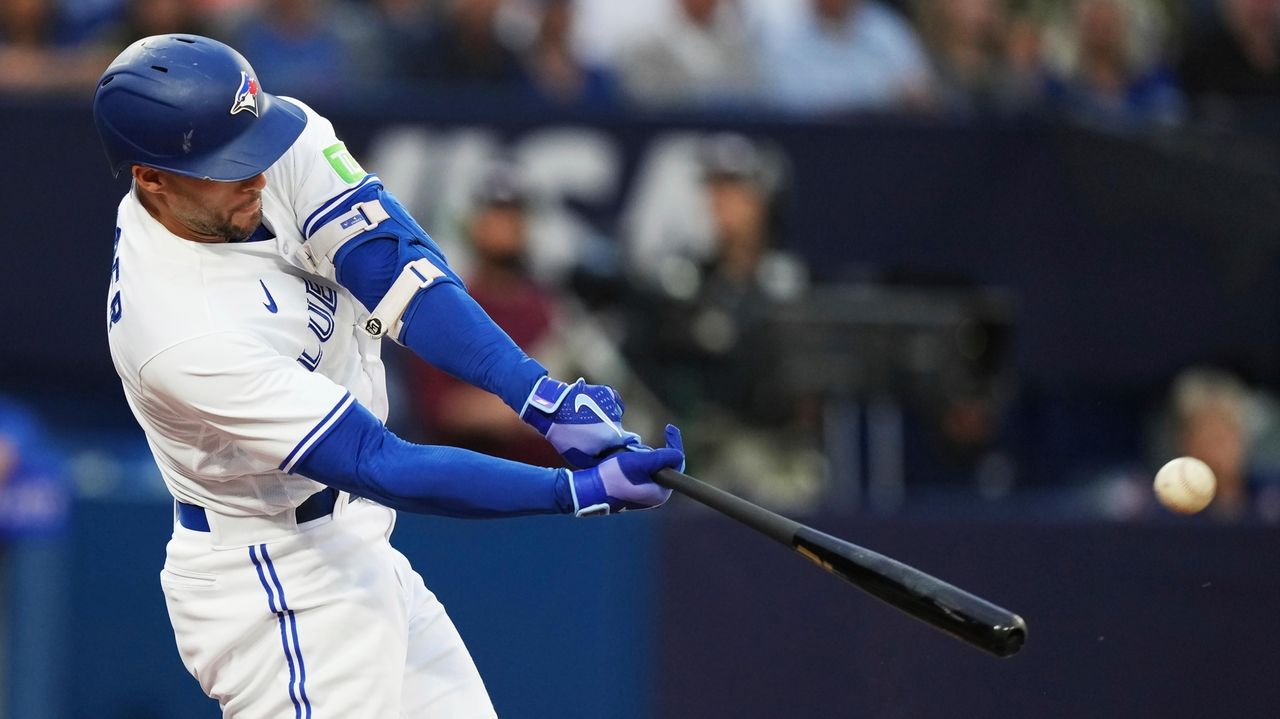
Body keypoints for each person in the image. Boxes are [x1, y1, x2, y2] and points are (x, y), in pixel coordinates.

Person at [92, 34, 684, 718]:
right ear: (152, 177)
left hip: (352, 543)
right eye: (227, 164)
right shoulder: (176, 329)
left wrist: (538, 394)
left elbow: (396, 268)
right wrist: (571, 491)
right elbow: (378, 459)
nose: (255, 171)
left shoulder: (261, 140)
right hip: (273, 577)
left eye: (252, 144)